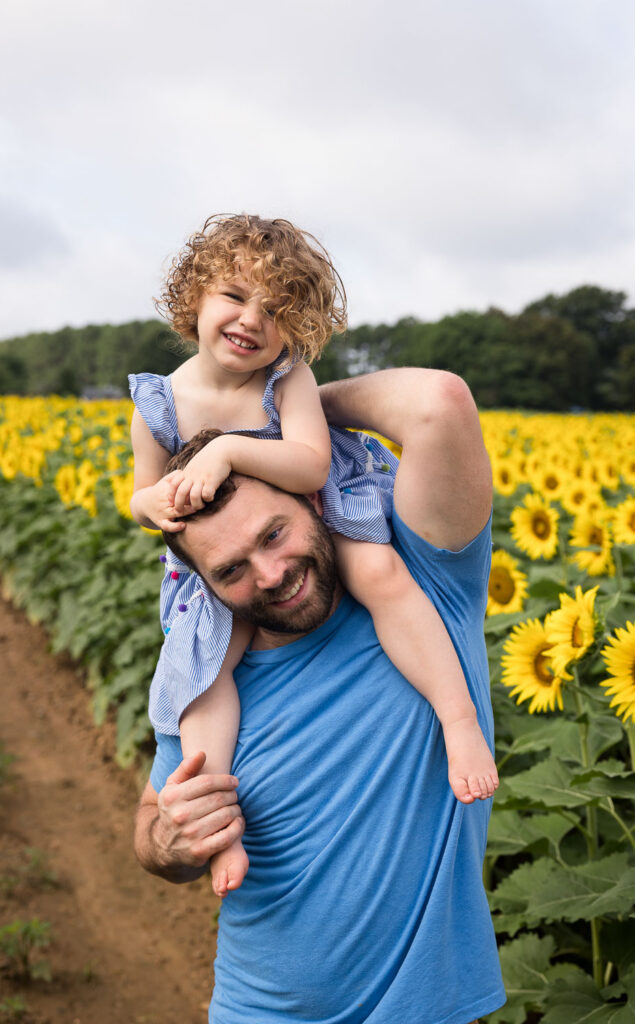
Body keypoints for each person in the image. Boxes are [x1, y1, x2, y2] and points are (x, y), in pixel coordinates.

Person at [129, 214, 498, 898]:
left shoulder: (286, 379)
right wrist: (150, 507)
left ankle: (458, 721)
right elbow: (142, 494)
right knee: (206, 675)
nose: (251, 321)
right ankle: (217, 830)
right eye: (235, 296)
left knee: (382, 573)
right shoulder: (158, 397)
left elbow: (306, 465)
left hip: (325, 502)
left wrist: (229, 449)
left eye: (277, 311)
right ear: (194, 298)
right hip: (201, 560)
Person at [134, 368, 505, 1024]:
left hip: (425, 1008)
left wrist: (277, 419)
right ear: (201, 588)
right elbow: (149, 832)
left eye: (272, 534)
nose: (271, 575)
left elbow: (437, 403)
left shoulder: (427, 584)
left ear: (312, 501)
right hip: (257, 1009)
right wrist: (175, 835)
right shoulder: (204, 665)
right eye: (230, 570)